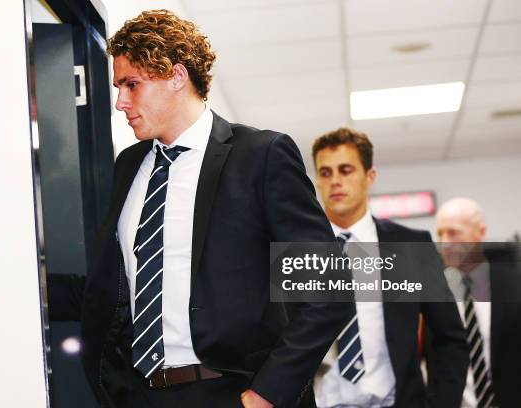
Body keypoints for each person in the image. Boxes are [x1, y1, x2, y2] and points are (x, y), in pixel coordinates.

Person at [51, 9, 353, 408]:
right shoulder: (129, 166)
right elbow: (113, 285)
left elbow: (327, 289)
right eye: (118, 87)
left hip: (231, 392)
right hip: (142, 394)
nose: (121, 102)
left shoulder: (260, 156)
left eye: (132, 85)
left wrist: (265, 396)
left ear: (177, 76)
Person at [303, 128, 468, 408]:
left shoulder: (410, 246)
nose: (335, 181)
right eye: (325, 172)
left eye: (346, 170)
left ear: (370, 177)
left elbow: (449, 337)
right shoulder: (296, 249)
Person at [436, 198, 521, 408]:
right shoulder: (435, 292)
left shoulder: (513, 285)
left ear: (480, 233)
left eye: (453, 233)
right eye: (440, 234)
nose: (445, 242)